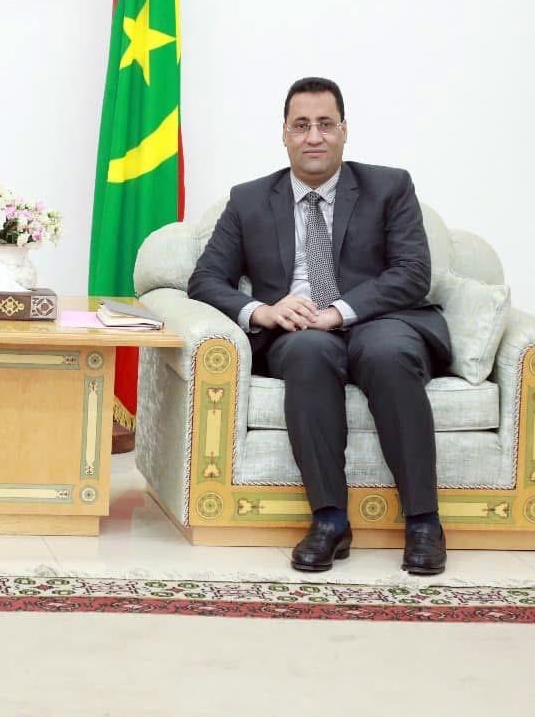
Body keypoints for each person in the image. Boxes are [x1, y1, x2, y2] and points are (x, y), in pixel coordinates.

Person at [188, 77, 449, 575]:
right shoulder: (248, 200)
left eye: (325, 124)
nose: (314, 137)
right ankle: (329, 520)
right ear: (284, 133)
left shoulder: (390, 187)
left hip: (378, 320)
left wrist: (339, 311)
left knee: (388, 355)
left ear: (344, 131)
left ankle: (423, 522)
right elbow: (205, 279)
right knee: (309, 352)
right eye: (301, 125)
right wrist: (263, 312)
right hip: (297, 330)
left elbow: (412, 273)